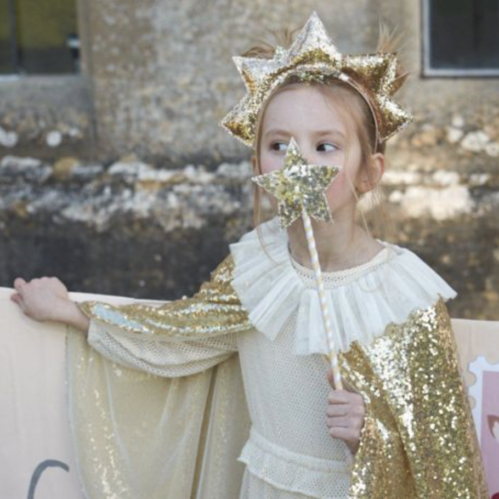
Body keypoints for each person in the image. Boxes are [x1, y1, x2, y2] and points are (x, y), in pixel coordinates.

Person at [10, 12, 489, 499]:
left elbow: (444, 464)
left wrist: (372, 436)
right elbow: (179, 338)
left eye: (325, 146)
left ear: (370, 171)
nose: (298, 163)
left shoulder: (402, 297)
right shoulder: (256, 268)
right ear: (259, 161)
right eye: (279, 144)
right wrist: (73, 312)